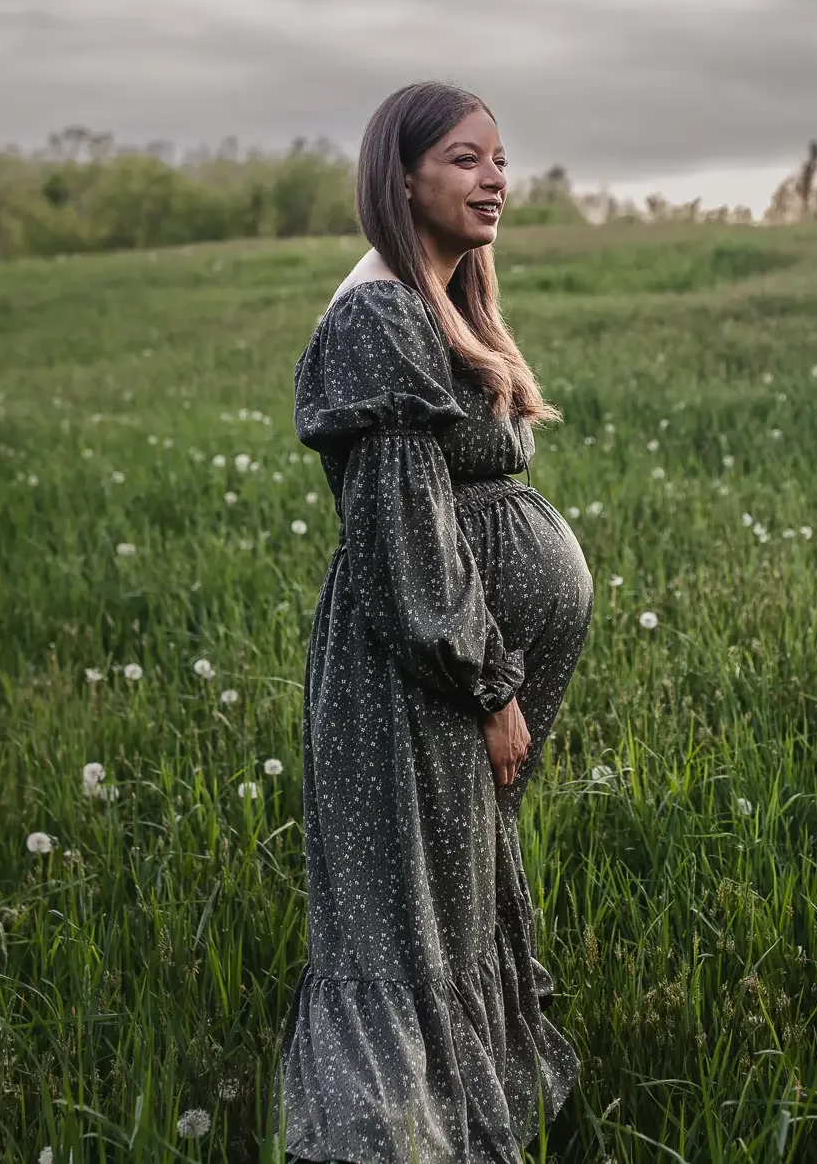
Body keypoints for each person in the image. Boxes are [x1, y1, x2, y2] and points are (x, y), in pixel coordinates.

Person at [276, 81, 593, 1163]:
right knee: (405, 926)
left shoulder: (443, 301)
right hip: (419, 673)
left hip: (451, 670)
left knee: (450, 910)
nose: (494, 177)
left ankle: (464, 1123)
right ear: (399, 176)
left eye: (499, 158)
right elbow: (406, 544)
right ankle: (383, 1140)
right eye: (464, 159)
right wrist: (487, 682)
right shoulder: (379, 314)